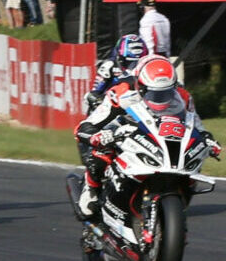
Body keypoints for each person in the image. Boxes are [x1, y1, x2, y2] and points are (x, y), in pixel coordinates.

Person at [74, 55, 215, 218]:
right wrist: (97, 136)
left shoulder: (183, 96)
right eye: (154, 94)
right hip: (124, 132)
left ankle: (177, 190)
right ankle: (91, 188)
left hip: (159, 137)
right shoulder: (121, 92)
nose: (161, 98)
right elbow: (87, 125)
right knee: (102, 152)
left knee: (192, 154)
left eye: (166, 92)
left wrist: (208, 140)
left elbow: (196, 125)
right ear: (140, 86)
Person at [86, 34, 149, 108]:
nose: (133, 66)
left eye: (138, 62)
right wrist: (100, 100)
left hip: (140, 105)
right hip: (113, 106)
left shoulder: (148, 66)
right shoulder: (109, 66)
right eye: (129, 62)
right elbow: (93, 94)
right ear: (120, 57)